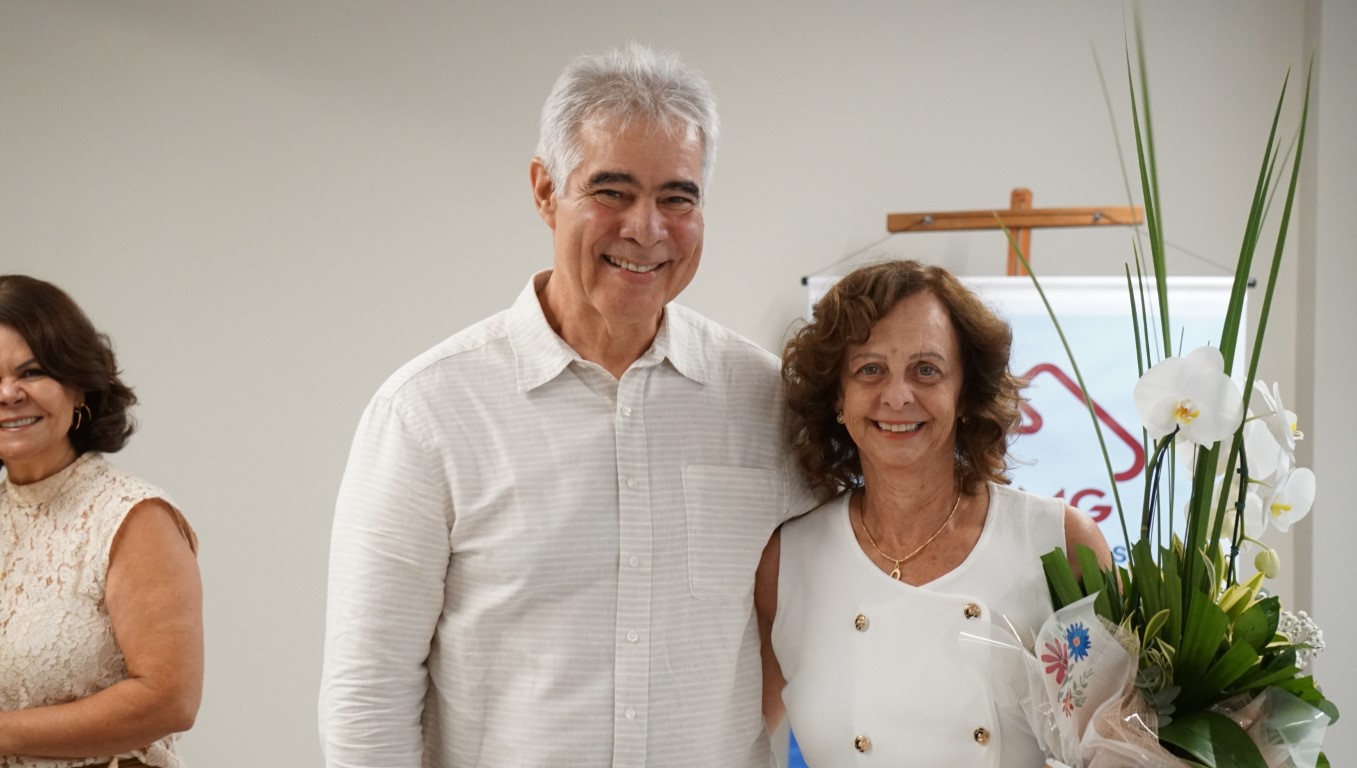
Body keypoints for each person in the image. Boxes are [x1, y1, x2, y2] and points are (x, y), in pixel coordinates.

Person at [319, 44, 811, 767]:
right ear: (545, 190)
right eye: (612, 191)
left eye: (678, 197)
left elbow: (799, 638)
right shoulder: (426, 413)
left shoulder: (770, 404)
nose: (646, 229)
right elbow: (368, 697)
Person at [756, 259, 1113, 767]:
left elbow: (1117, 746)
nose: (897, 396)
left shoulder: (1060, 542)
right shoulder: (787, 563)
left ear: (965, 392)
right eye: (869, 369)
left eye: (926, 370)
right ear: (838, 394)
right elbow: (741, 742)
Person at [0, 275, 202, 768]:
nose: (8, 394)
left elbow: (169, 701)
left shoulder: (132, 517)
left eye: (32, 372)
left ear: (79, 387)